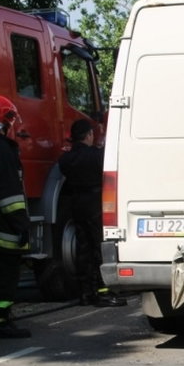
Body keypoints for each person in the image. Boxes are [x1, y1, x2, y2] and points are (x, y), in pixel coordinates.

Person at [58, 119, 126, 307]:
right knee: (98, 248)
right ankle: (102, 292)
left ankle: (85, 293)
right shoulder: (98, 156)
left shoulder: (66, 159)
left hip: (77, 204)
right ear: (88, 135)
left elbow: (64, 169)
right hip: (95, 204)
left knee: (82, 249)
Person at [0, 95, 32, 338]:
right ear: (7, 121)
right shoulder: (2, 150)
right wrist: (21, 223)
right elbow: (9, 195)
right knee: (4, 275)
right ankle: (0, 321)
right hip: (1, 230)